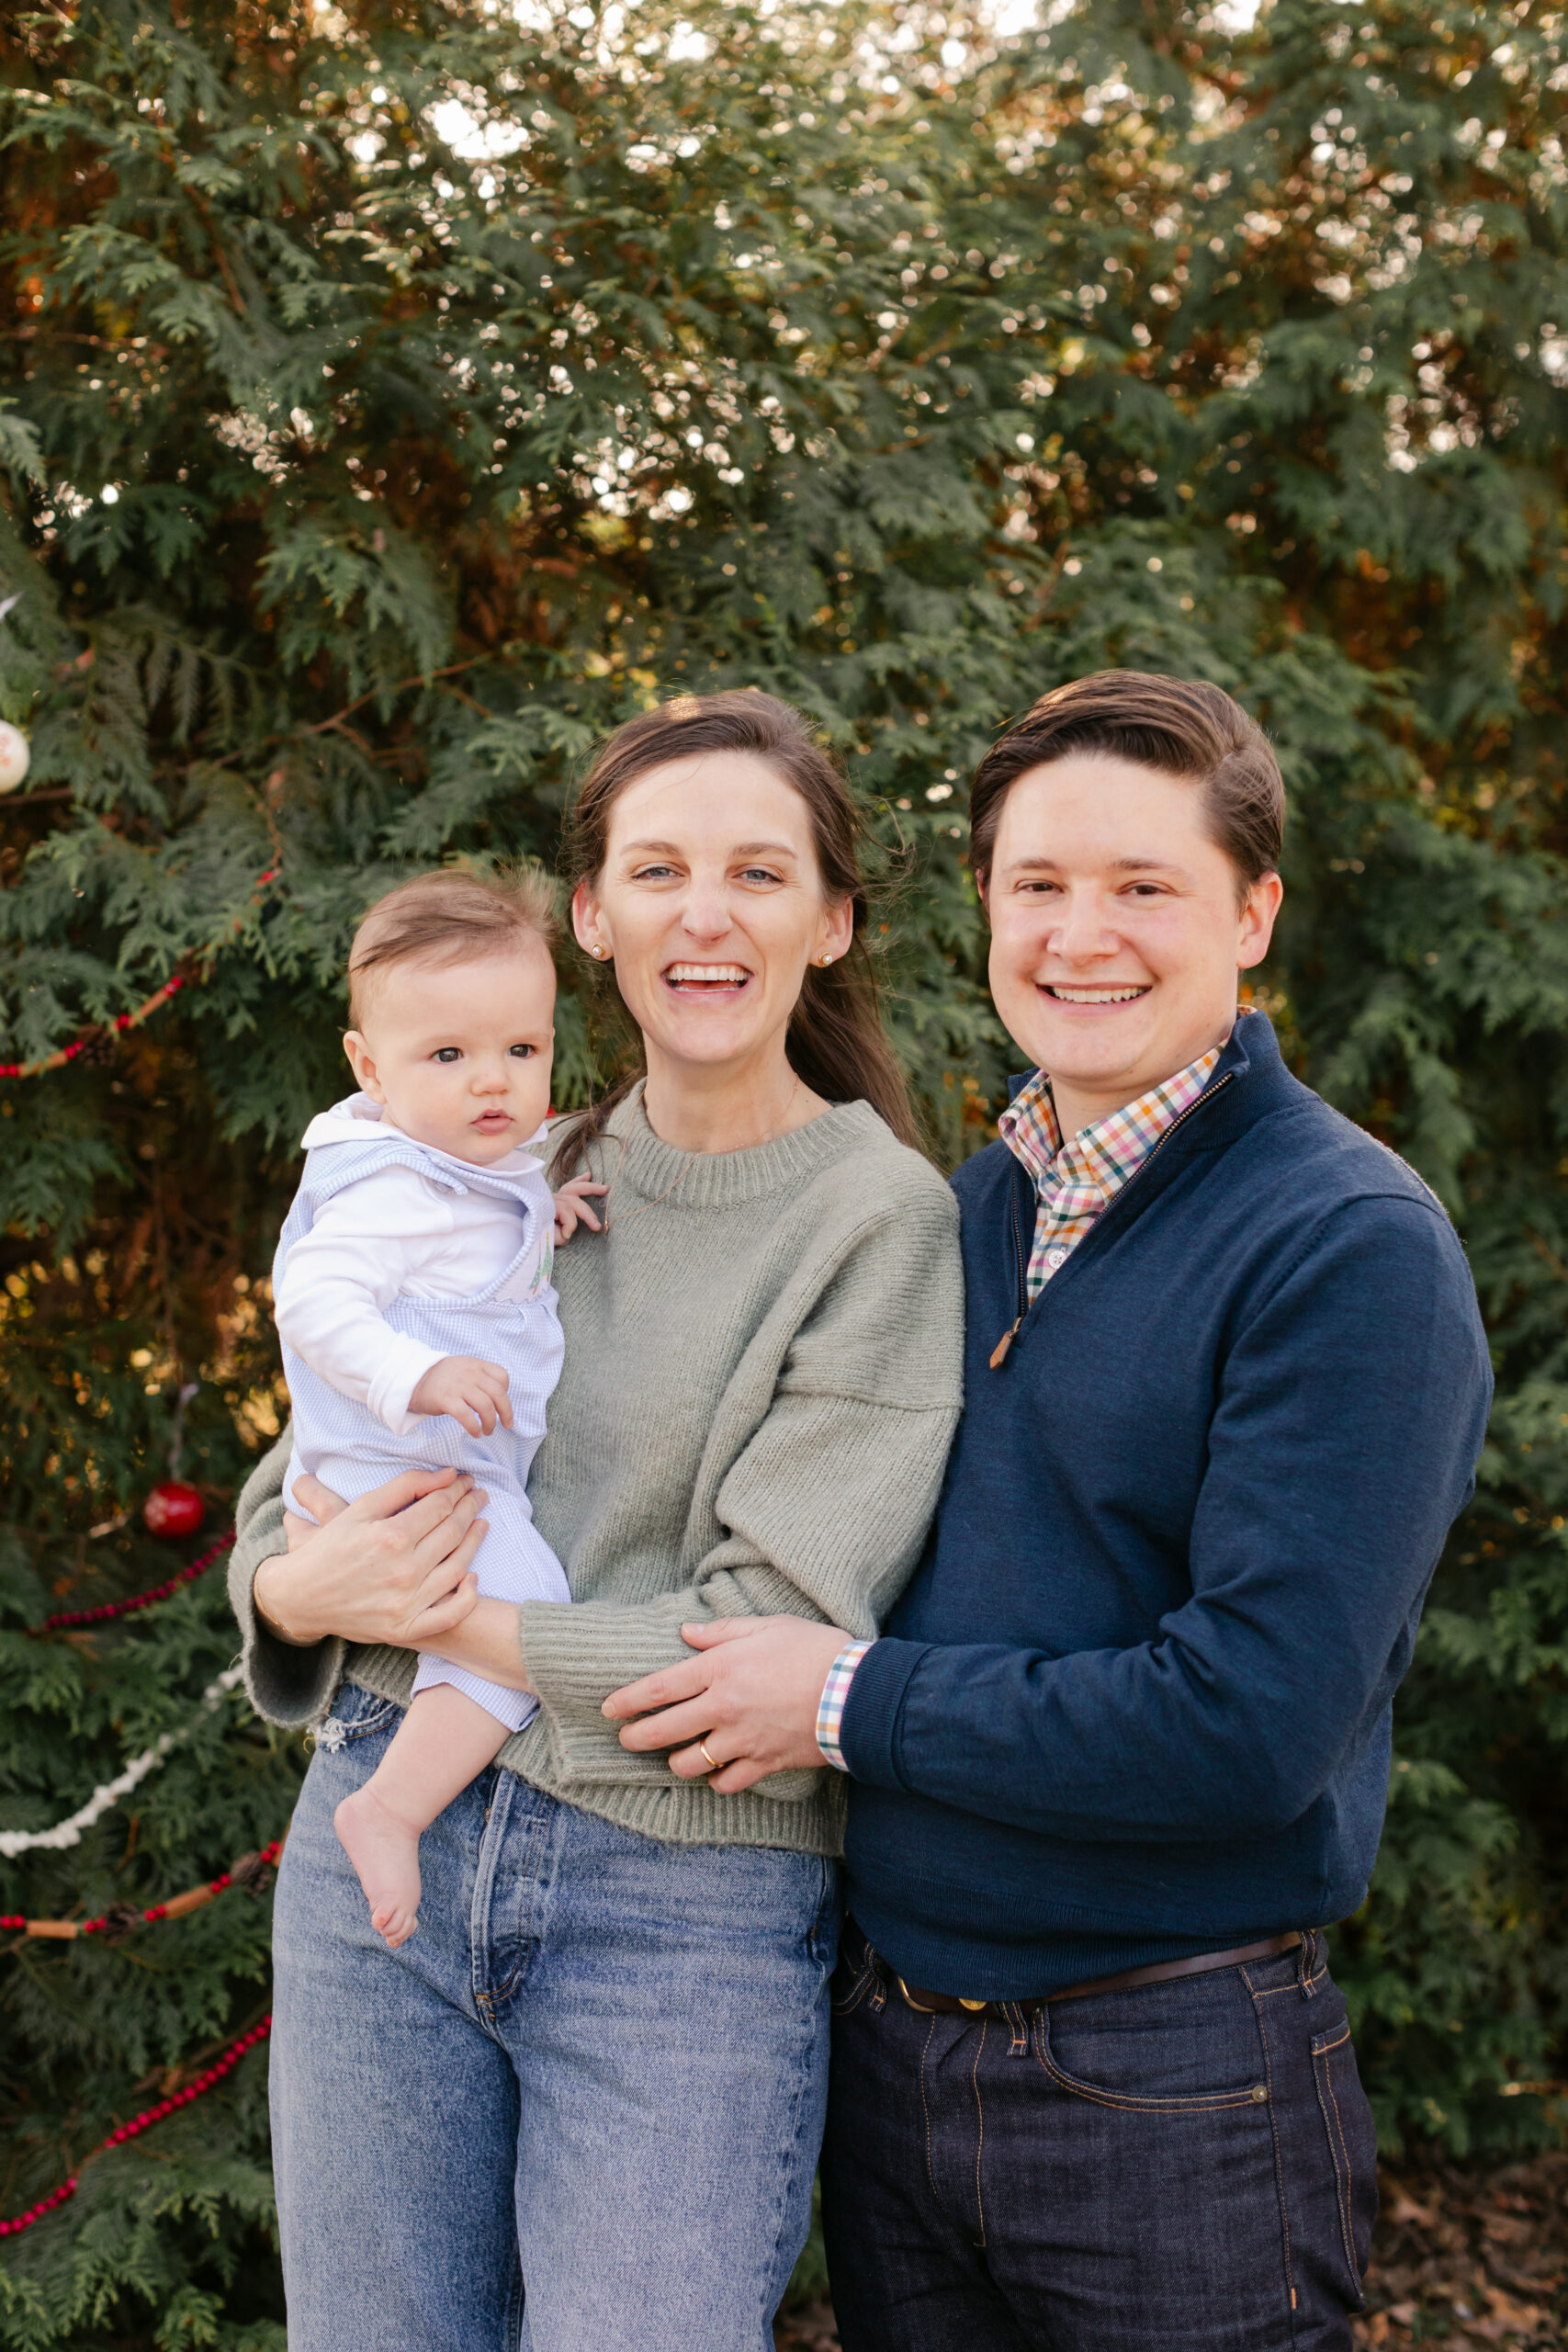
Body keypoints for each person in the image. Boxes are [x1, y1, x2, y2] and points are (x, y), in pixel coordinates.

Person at [604, 672, 1494, 2352]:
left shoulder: (1346, 1246)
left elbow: (1245, 1722)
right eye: (1038, 888)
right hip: (893, 2066)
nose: (1082, 937)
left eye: (1143, 888)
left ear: (1253, 913)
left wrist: (845, 1702)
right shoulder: (971, 1205)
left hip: (1170, 2085)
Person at [226, 690, 964, 2352]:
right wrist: (291, 1586)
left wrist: (420, 1616)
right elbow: (309, 1468)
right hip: (379, 1846)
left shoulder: (878, 1223)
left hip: (675, 1911)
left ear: (829, 923)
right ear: (591, 916)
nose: (703, 915)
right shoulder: (501, 1152)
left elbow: (755, 1648)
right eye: (659, 870)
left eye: (759, 874)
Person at [271, 866, 605, 1950]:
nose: (492, 1084)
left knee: (490, 1612)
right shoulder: (390, 1189)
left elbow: (476, 1223)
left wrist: (537, 1208)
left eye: (522, 1050)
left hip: (436, 1467)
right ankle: (391, 1806)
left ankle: (401, 1789)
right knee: (523, 1597)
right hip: (400, 1467)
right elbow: (315, 1297)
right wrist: (414, 1376)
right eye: (448, 1057)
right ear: (370, 1067)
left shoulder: (470, 1166)